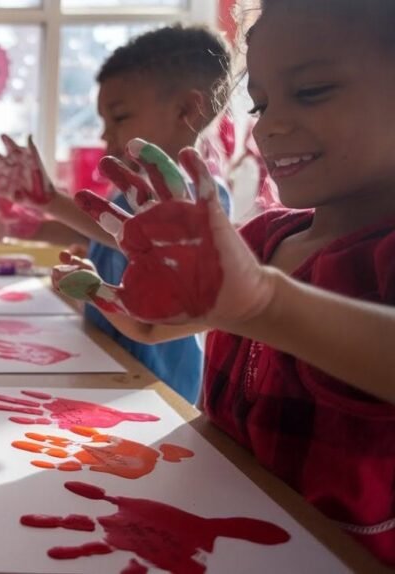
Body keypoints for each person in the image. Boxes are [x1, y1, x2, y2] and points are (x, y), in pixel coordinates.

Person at [54, 0, 395, 562]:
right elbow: (157, 328)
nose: (273, 124)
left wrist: (268, 303)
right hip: (214, 521)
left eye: (311, 91)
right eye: (259, 103)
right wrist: (111, 297)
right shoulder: (262, 239)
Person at [0, 24, 232, 403]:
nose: (104, 135)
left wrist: (50, 199)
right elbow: (97, 235)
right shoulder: (128, 188)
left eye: (118, 117)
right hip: (106, 357)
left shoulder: (199, 199)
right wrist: (9, 227)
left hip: (154, 383)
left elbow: (129, 237)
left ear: (185, 109)